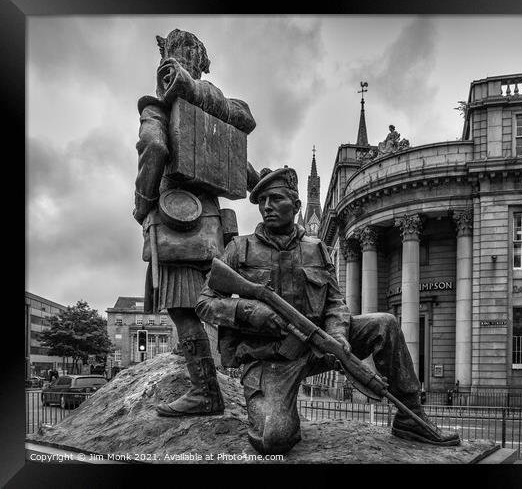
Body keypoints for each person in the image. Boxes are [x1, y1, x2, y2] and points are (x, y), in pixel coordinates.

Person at [195, 167, 460, 454]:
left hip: (316, 344)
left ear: (296, 206)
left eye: (276, 198)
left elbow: (335, 303)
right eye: (262, 201)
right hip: (270, 360)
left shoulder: (316, 249)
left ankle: (411, 417)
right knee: (275, 439)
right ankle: (281, 411)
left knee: (385, 323)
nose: (267, 207)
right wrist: (247, 310)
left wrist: (339, 337)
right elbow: (205, 303)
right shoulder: (239, 248)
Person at [134, 29, 260, 417]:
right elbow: (244, 170)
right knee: (218, 305)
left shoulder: (159, 109)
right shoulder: (215, 111)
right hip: (214, 229)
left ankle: (205, 392)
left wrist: (143, 205)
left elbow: (154, 147)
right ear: (201, 64)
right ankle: (254, 378)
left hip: (176, 222)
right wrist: (264, 191)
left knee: (184, 311)